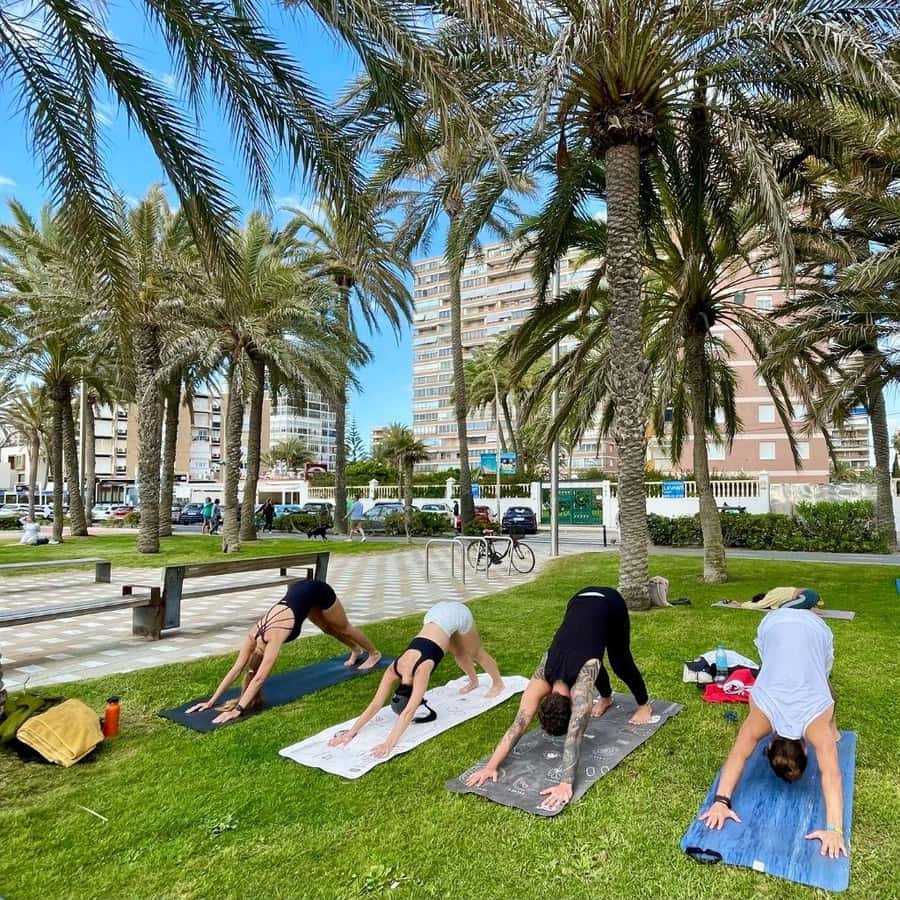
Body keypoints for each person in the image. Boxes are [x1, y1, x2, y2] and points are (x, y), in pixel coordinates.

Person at [465, 586, 653, 811]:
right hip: (578, 600)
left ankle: (644, 705)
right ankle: (606, 697)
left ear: (573, 702)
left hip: (610, 603)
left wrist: (565, 783)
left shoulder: (580, 690)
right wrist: (490, 766)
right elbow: (518, 725)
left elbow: (575, 734)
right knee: (591, 658)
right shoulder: (542, 677)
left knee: (619, 661)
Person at [698, 607, 845, 859]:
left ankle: (834, 723)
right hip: (779, 624)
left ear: (805, 748)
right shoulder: (763, 714)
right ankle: (834, 723)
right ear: (768, 744)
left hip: (795, 625)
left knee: (822, 679)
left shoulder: (813, 723)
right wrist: (720, 802)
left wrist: (835, 830)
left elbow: (832, 773)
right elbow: (830, 774)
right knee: (821, 679)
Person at [187, 579, 382, 725]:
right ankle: (355, 649)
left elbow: (259, 678)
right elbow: (236, 669)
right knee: (327, 628)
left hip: (317, 590)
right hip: (300, 595)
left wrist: (238, 709)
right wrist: (211, 701)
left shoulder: (273, 638)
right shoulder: (252, 637)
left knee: (343, 627)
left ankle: (374, 653)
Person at [328, 601, 503, 758]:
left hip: (456, 613)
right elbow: (375, 704)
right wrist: (351, 732)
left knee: (475, 653)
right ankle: (473, 681)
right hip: (436, 615)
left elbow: (408, 711)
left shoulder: (421, 670)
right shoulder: (393, 669)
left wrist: (388, 743)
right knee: (458, 653)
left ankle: (498, 683)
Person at [744, 586, 821, 610]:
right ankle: (811, 606)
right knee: (785, 605)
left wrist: (742, 605)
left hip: (806, 596)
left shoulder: (770, 596)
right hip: (811, 593)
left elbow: (759, 605)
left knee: (782, 608)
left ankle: (811, 609)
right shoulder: (776, 590)